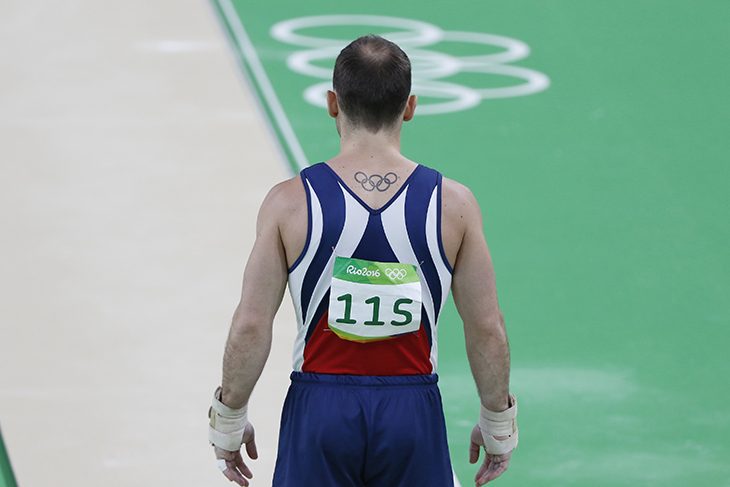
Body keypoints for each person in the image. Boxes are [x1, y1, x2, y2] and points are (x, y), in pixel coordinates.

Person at [207, 35, 518, 487]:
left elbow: (252, 324)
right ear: (409, 106)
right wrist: (497, 424)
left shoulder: (290, 203)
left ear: (333, 103)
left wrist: (229, 417)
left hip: (320, 410)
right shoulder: (454, 206)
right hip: (411, 413)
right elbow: (487, 326)